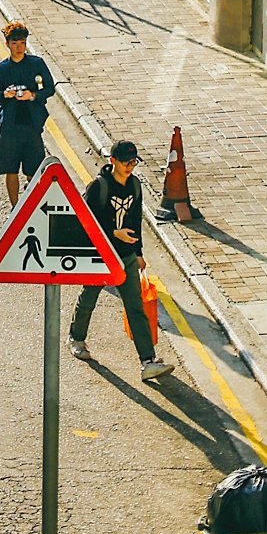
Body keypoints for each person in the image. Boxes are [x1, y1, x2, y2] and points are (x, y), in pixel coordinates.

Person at [68, 140, 171, 381]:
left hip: (125, 256)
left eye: (134, 162)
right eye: (126, 162)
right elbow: (86, 220)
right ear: (112, 161)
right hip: (101, 255)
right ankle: (76, 337)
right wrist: (114, 233)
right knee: (89, 297)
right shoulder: (99, 187)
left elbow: (135, 220)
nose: (130, 167)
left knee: (135, 307)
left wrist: (139, 253)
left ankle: (147, 361)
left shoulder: (135, 185)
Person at [0, 21, 55, 207]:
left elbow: (49, 88)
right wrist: (4, 94)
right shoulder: (0, 70)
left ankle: (31, 206)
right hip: (10, 128)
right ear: (7, 44)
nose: (19, 47)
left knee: (34, 170)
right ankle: (15, 208)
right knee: (10, 170)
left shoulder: (36, 64)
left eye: (22, 43)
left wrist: (33, 95)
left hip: (32, 125)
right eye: (15, 43)